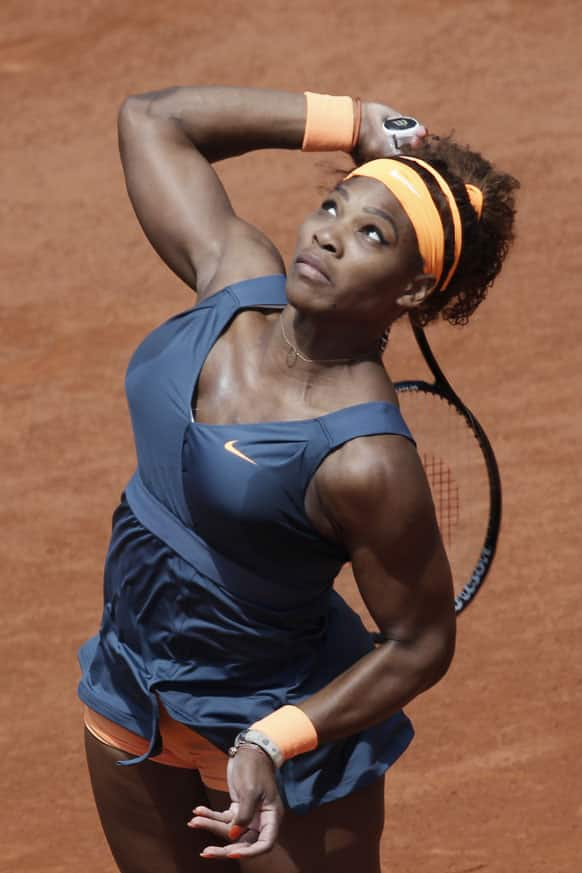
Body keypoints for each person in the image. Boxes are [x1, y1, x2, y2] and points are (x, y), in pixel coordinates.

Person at [78, 87, 518, 873]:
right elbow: (153, 121)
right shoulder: (235, 276)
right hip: (129, 689)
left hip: (271, 738)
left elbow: (421, 642)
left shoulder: (367, 459)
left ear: (413, 288)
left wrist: (273, 738)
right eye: (333, 205)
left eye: (372, 234)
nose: (329, 234)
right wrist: (349, 122)